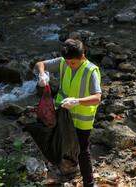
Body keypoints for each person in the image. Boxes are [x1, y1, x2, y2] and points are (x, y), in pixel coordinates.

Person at [35, 38, 101, 187]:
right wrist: (42, 74)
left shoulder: (91, 71)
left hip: (82, 119)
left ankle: (89, 183)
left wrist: (77, 101)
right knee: (62, 144)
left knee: (83, 151)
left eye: (73, 63)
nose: (70, 66)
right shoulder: (64, 62)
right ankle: (70, 171)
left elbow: (97, 98)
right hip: (63, 114)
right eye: (68, 62)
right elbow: (40, 64)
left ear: (82, 57)